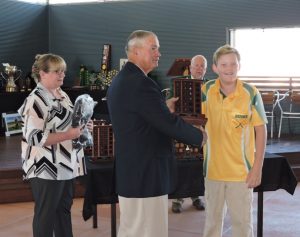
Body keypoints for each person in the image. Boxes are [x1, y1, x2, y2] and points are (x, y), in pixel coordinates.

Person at [106, 30, 207, 237]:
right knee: (149, 231)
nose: (158, 53)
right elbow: (167, 123)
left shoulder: (123, 79)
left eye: (158, 48)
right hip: (146, 175)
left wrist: (162, 107)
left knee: (132, 229)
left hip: (134, 173)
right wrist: (200, 137)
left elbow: (145, 117)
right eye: (153, 48)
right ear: (135, 51)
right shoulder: (141, 84)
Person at [18, 53, 93, 237]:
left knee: (63, 212)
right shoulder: (35, 99)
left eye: (63, 71)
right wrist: (69, 134)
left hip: (66, 164)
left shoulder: (62, 94)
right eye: (57, 71)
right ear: (42, 74)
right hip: (45, 167)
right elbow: (33, 137)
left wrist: (84, 126)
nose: (62, 75)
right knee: (46, 215)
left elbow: (70, 123)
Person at [201, 45, 267, 237]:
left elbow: (261, 131)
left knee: (242, 226)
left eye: (233, 64)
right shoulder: (205, 91)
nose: (229, 68)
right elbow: (194, 121)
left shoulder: (251, 93)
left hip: (241, 174)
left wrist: (257, 167)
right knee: (211, 225)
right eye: (223, 64)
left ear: (239, 66)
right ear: (215, 67)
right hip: (213, 172)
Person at [171, 54, 207, 213]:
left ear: (205, 69)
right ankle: (177, 199)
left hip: (202, 130)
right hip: (183, 129)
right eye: (196, 65)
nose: (199, 68)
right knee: (181, 162)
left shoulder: (210, 86)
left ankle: (196, 196)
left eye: (202, 66)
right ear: (190, 68)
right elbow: (172, 104)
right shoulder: (179, 83)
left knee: (197, 164)